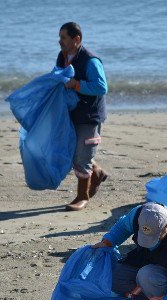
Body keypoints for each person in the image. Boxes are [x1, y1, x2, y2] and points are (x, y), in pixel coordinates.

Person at [56, 22, 109, 211]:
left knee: (81, 156)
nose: (59, 41)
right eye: (59, 37)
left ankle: (82, 196)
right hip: (71, 113)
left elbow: (101, 87)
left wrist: (76, 84)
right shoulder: (62, 57)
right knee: (71, 151)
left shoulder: (91, 61)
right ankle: (97, 171)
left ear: (76, 39)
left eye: (63, 37)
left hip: (89, 115)